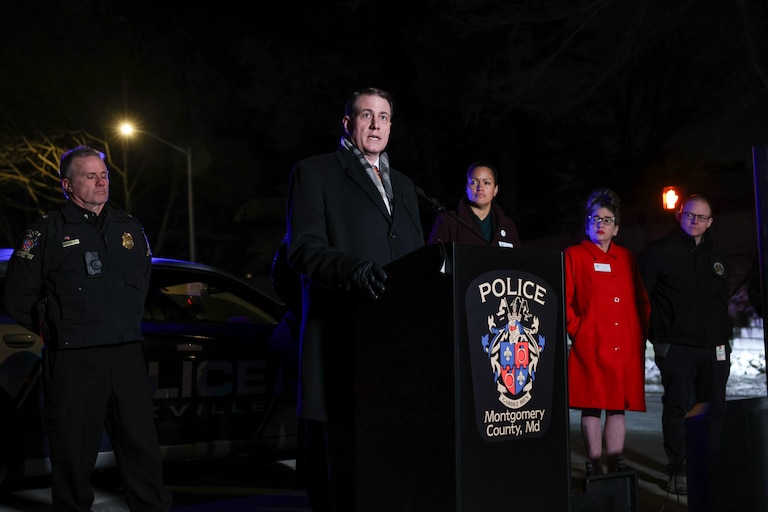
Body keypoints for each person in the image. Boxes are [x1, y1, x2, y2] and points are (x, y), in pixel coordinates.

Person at [4, 146, 172, 512]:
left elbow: (141, 283)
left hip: (125, 352)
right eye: (89, 175)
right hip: (75, 359)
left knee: (140, 446)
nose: (101, 182)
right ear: (67, 184)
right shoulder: (46, 231)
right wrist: (61, 328)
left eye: (104, 174)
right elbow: (17, 298)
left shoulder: (128, 226)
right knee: (73, 452)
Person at [285, 87, 425, 511]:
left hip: (396, 344)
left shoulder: (403, 184)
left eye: (384, 117)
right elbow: (302, 248)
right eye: (367, 116)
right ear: (348, 123)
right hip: (344, 340)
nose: (376, 124)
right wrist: (353, 271)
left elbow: (415, 251)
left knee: (393, 460)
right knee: (345, 467)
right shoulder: (315, 173)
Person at [638, 194, 732, 496]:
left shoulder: (717, 254)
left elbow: (721, 299)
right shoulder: (658, 252)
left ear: (710, 222)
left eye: (702, 217)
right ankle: (679, 469)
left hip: (714, 347)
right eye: (691, 215)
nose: (696, 221)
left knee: (714, 407)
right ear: (680, 215)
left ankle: (709, 466)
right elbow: (642, 299)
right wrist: (658, 337)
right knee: (679, 407)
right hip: (676, 346)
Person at [565, 188, 650, 479]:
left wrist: (638, 332)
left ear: (617, 227)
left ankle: (616, 461)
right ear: (587, 224)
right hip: (590, 345)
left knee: (617, 407)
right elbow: (564, 300)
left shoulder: (626, 257)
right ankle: (594, 462)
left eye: (607, 219)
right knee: (591, 404)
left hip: (621, 345)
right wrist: (579, 330)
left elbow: (640, 299)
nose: (601, 224)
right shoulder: (573, 255)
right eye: (595, 218)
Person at [427, 161, 520, 247]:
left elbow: (517, 261)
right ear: (466, 188)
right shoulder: (447, 221)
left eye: (487, 183)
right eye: (474, 182)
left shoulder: (507, 225)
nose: (480, 188)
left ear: (495, 190)